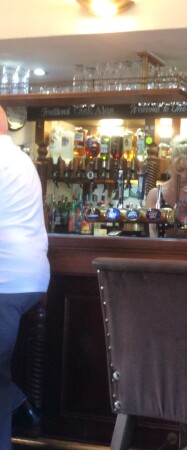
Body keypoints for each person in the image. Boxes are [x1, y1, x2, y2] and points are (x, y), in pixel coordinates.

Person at [0, 106, 50, 448]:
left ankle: (17, 403)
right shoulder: (21, 160)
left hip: (5, 280)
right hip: (30, 279)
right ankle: (14, 402)